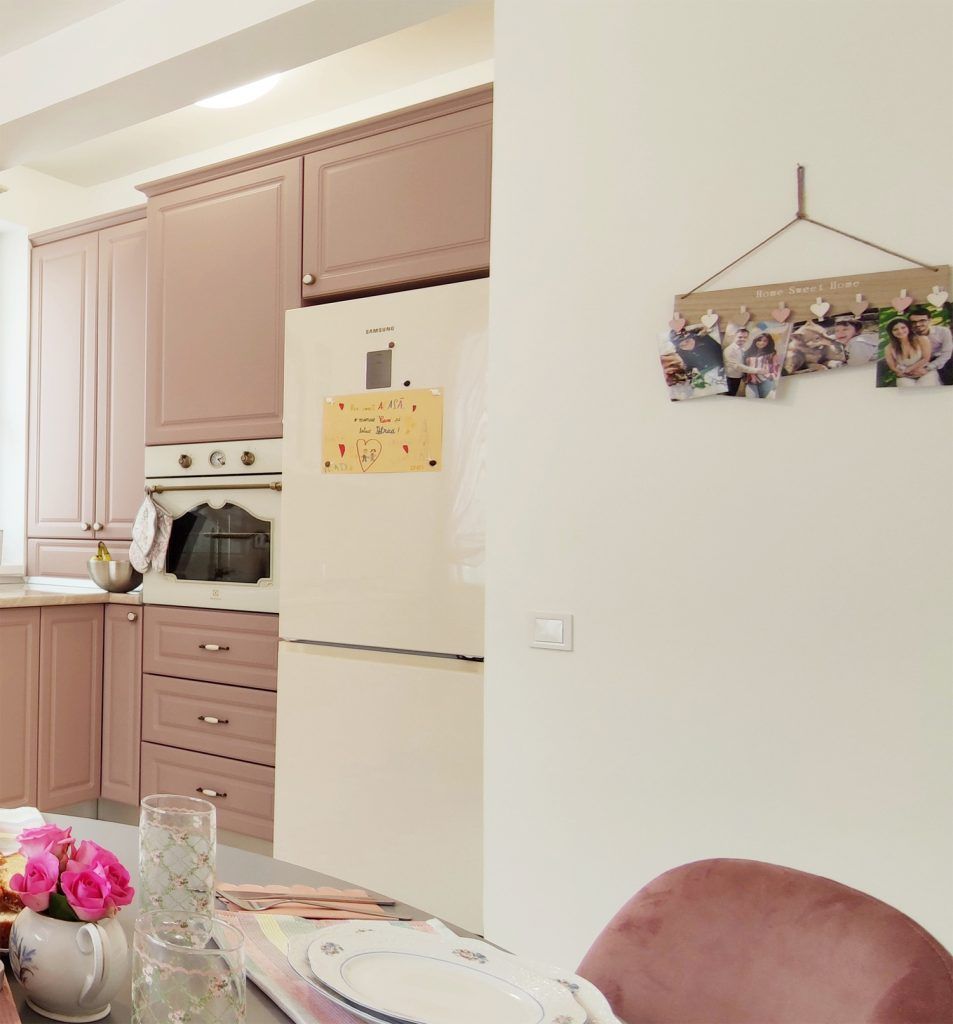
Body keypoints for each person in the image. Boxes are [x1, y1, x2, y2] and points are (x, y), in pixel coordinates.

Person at [883, 315, 937, 387]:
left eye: (903, 327)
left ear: (908, 328)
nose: (900, 331)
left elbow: (926, 358)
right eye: (895, 329)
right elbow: (892, 366)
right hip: (905, 375)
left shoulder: (922, 339)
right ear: (891, 332)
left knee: (927, 386)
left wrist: (910, 369)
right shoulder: (889, 348)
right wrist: (903, 373)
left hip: (924, 370)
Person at [908, 306, 953, 385]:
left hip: (943, 358)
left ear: (930, 320)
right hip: (920, 361)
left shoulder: (943, 331)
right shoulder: (908, 336)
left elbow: (947, 353)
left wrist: (929, 367)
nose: (917, 324)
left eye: (922, 321)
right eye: (913, 322)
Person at [739, 332, 782, 398]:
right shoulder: (747, 352)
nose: (761, 342)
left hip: (765, 381)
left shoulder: (772, 353)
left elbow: (776, 367)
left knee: (762, 400)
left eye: (765, 341)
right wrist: (744, 377)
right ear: (755, 341)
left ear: (768, 343)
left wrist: (770, 376)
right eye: (759, 340)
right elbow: (742, 366)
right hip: (751, 381)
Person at [722, 326, 751, 396]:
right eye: (740, 337)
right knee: (729, 396)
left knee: (734, 394)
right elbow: (736, 366)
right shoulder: (729, 350)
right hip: (730, 377)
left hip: (738, 376)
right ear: (734, 337)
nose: (743, 339)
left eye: (745, 337)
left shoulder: (743, 349)